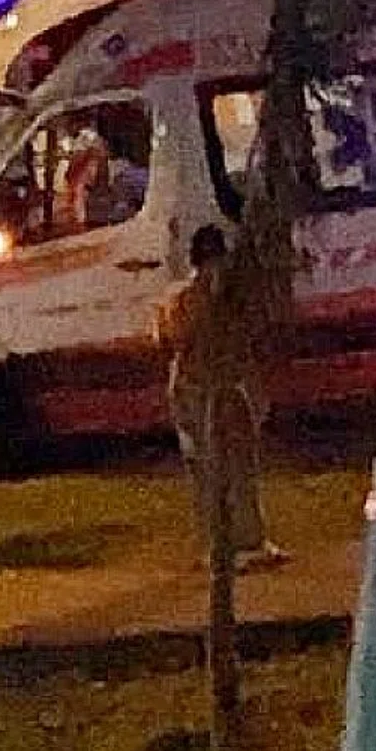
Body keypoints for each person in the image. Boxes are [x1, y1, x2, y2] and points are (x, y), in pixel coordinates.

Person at [154, 225, 286, 570]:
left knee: (237, 467)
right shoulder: (186, 299)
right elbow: (176, 341)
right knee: (210, 470)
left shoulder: (222, 301)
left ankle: (247, 541)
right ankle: (220, 547)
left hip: (220, 390)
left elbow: (243, 346)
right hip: (200, 391)